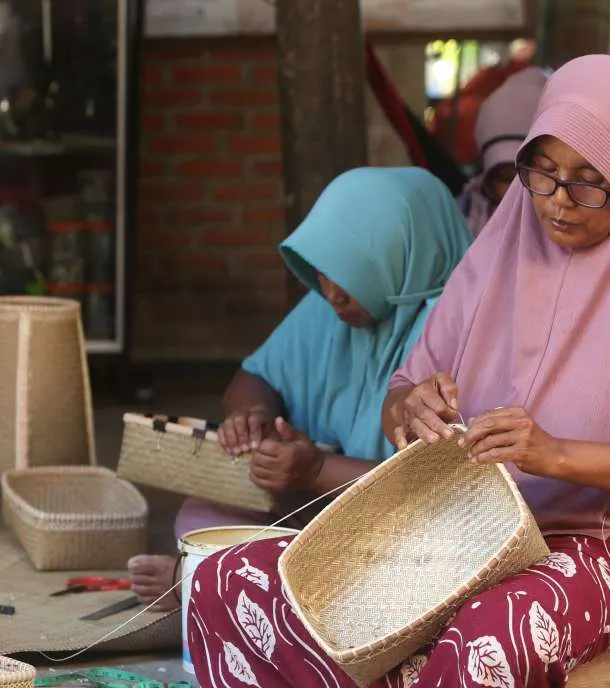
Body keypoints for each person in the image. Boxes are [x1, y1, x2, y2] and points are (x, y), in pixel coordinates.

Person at [185, 55, 610, 688]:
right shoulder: (494, 255)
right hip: (460, 524)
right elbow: (402, 393)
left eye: (589, 180)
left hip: (601, 543)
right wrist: (408, 408)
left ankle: (391, 683)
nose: (558, 200)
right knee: (226, 579)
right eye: (542, 171)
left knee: (488, 638)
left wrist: (554, 453)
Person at [127, 167, 473, 609]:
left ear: (404, 255)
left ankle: (211, 583)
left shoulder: (458, 323)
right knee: (203, 515)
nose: (332, 294)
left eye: (352, 272)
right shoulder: (328, 307)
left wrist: (316, 472)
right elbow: (257, 376)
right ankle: (233, 581)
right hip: (312, 510)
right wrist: (249, 416)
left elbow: (441, 487)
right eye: (323, 274)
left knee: (385, 572)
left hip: (406, 532)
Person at [458, 66, 550, 237]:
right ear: (488, 181)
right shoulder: (465, 224)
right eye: (506, 178)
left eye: (533, 176)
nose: (517, 191)